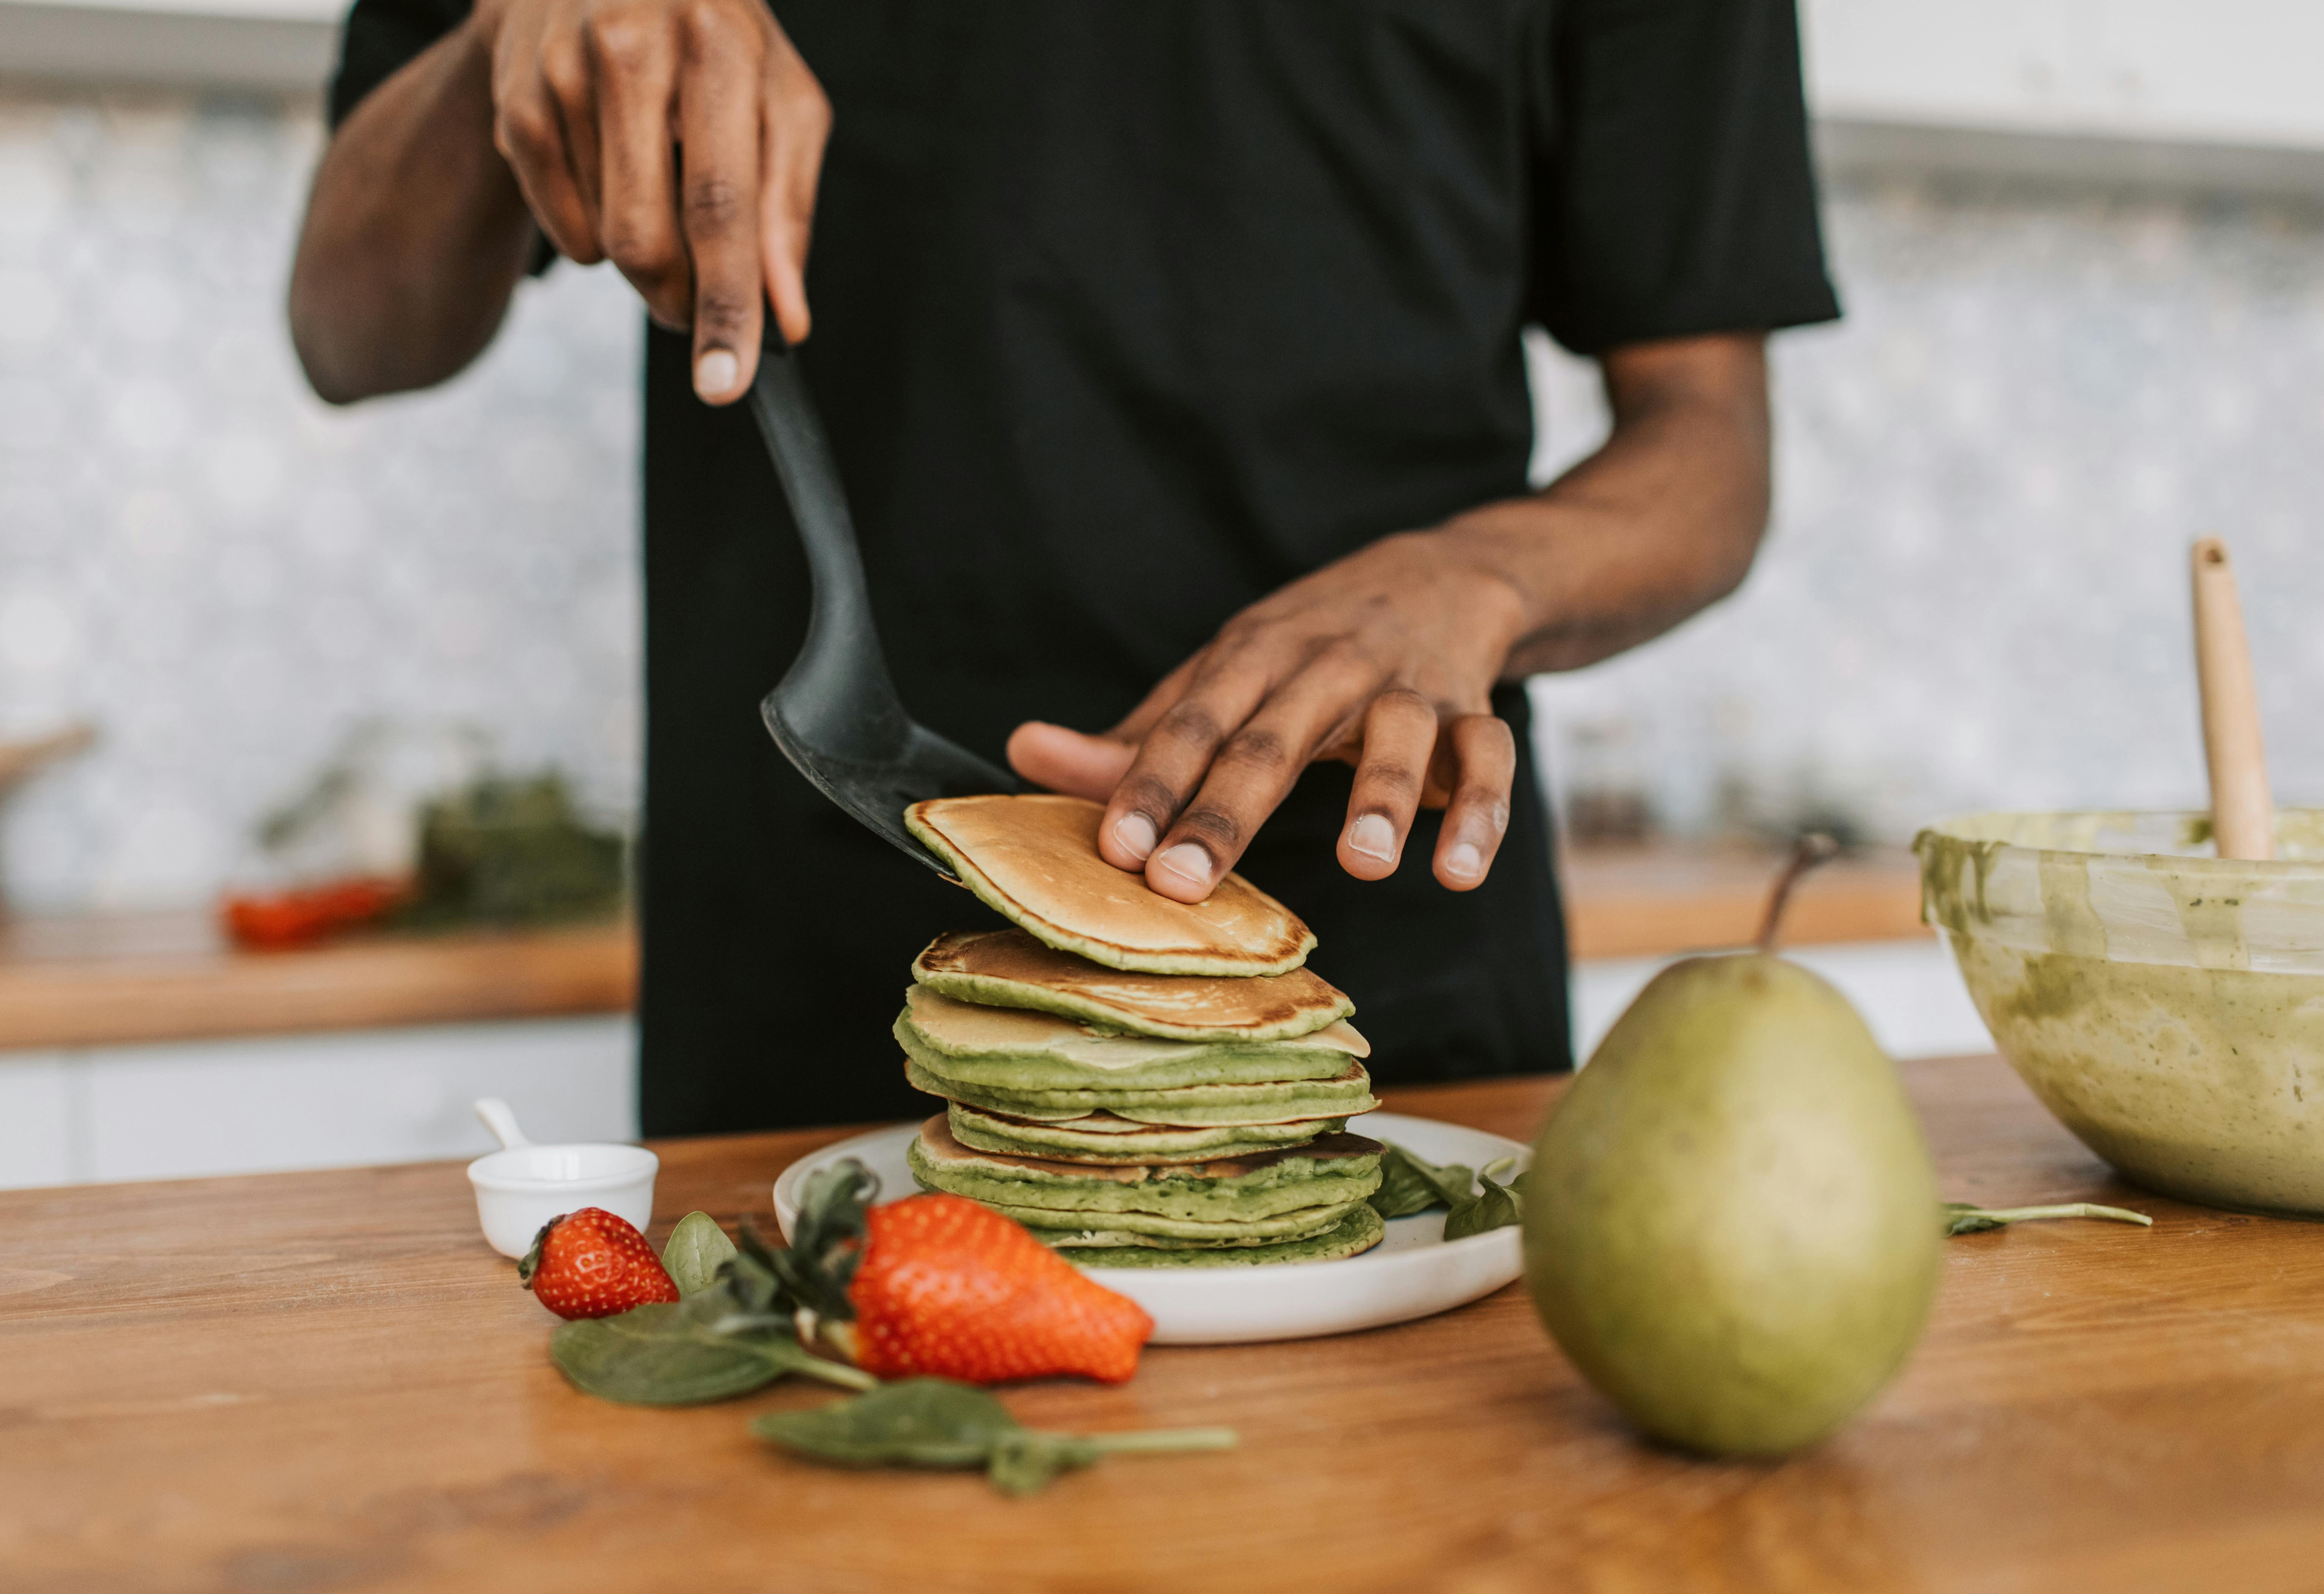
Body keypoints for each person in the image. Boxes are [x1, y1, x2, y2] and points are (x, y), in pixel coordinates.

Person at [290, 0, 1837, 1134]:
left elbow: (1708, 444)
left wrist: (1474, 579)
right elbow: (352, 318)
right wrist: (512, 29)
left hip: (1373, 994)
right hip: (800, 1010)